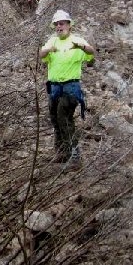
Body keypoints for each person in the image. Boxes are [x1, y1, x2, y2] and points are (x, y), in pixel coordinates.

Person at [39, 10, 95, 168]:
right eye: (56, 24)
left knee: (64, 117)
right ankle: (62, 152)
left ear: (69, 25)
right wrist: (48, 50)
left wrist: (83, 47)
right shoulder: (52, 42)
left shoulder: (77, 41)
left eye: (62, 23)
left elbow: (91, 55)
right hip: (54, 87)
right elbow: (41, 54)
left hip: (71, 87)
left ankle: (75, 156)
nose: (59, 26)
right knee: (55, 119)